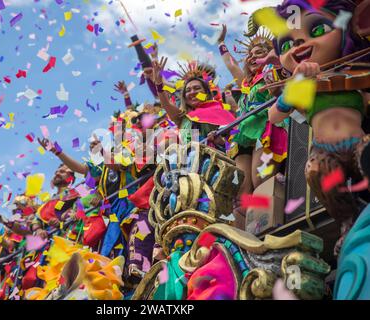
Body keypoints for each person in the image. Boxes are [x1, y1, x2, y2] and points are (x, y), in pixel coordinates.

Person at [267, 0, 370, 255]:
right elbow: (274, 117)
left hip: (359, 142)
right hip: (323, 151)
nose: (300, 45)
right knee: (316, 172)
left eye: (317, 30)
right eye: (288, 44)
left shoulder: (356, 72)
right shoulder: (300, 87)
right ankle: (348, 221)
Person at [216, 24, 289, 229]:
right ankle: (243, 239)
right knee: (241, 191)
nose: (252, 56)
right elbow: (231, 65)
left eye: (260, 52)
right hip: (243, 136)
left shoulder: (273, 71)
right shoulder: (246, 82)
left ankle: (268, 225)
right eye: (250, 54)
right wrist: (221, 43)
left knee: (261, 179)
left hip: (264, 129)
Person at [152, 58, 235, 148]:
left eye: (197, 88)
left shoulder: (219, 111)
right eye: (188, 90)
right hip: (187, 160)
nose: (192, 92)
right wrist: (159, 83)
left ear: (206, 93)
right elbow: (166, 104)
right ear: (184, 97)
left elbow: (233, 139)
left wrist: (220, 141)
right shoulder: (181, 117)